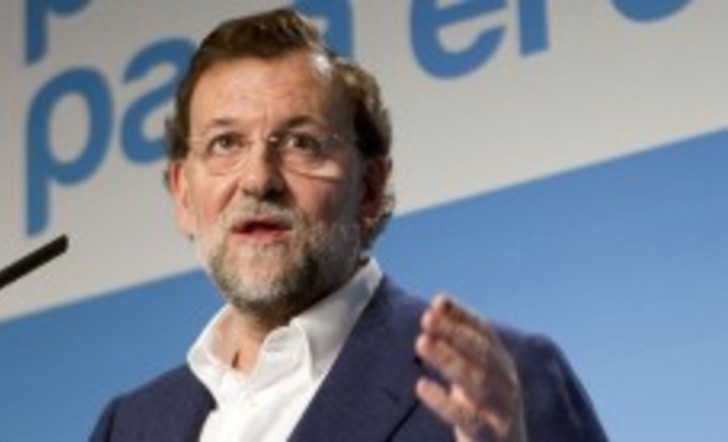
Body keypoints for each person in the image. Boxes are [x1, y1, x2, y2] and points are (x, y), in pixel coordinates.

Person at [90, 7, 607, 442]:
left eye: (302, 143)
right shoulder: (129, 426)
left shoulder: (500, 385)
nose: (258, 179)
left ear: (369, 189)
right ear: (183, 193)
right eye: (225, 144)